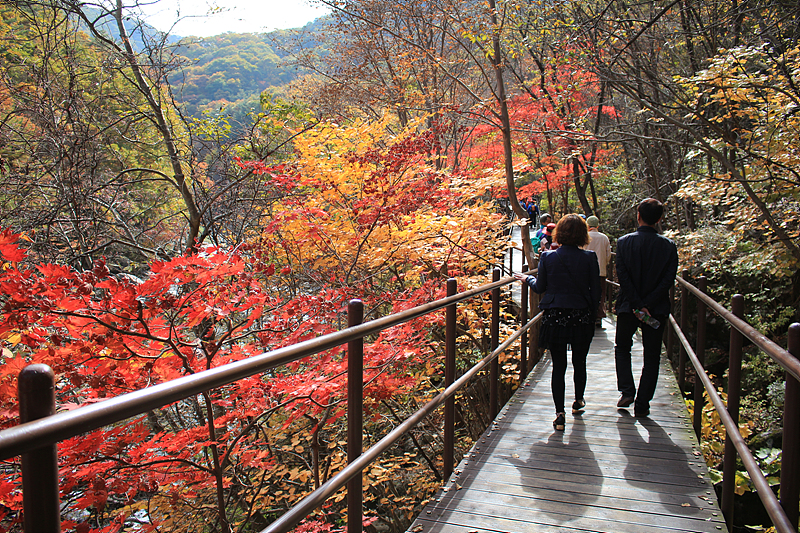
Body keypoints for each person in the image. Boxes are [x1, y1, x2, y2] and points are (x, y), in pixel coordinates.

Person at [514, 214, 601, 431]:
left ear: (559, 233)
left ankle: (559, 414)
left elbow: (540, 286)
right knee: (580, 362)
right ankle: (578, 400)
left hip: (556, 316)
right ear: (583, 234)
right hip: (581, 316)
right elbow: (596, 292)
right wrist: (591, 313)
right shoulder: (590, 258)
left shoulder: (549, 258)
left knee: (558, 365)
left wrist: (527, 279)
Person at [614, 198, 679, 418]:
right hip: (656, 309)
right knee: (652, 356)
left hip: (628, 307)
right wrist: (648, 304)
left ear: (638, 215)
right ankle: (643, 403)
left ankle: (627, 390)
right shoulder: (669, 246)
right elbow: (668, 279)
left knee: (623, 347)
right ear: (659, 219)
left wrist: (637, 304)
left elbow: (622, 277)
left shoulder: (623, 242)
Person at [585, 215, 612, 328]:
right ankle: (599, 316)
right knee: (600, 294)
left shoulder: (585, 237)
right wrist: (603, 264)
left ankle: (587, 315)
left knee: (587, 293)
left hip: (586, 272)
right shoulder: (604, 237)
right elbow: (608, 255)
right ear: (597, 225)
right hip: (601, 271)